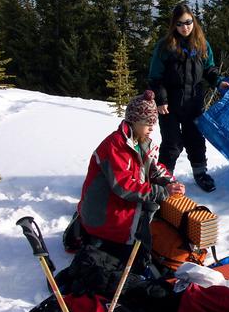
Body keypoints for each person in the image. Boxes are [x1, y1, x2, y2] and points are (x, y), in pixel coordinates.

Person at [77, 90, 185, 270]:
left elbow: (154, 168)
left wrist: (168, 182)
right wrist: (162, 192)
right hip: (105, 214)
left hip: (121, 206)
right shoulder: (115, 146)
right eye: (147, 123)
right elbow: (123, 186)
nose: (152, 128)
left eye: (153, 123)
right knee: (138, 256)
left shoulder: (142, 141)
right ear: (134, 121)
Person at [148, 3, 229, 193]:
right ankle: (163, 179)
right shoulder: (165, 46)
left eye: (188, 22)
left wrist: (218, 82)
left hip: (194, 101)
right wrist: (161, 100)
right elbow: (155, 77)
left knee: (195, 139)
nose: (185, 27)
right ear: (174, 25)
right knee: (172, 143)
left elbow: (209, 69)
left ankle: (200, 173)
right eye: (180, 24)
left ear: (193, 21)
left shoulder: (202, 44)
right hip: (169, 104)